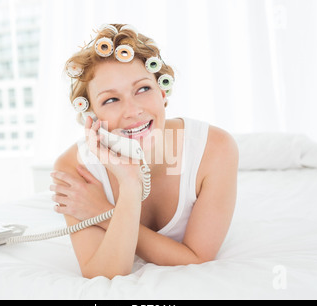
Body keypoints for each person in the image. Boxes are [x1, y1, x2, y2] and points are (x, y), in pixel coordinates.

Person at [50, 24, 239, 279]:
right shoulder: (74, 168)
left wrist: (101, 213)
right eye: (111, 100)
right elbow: (104, 275)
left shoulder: (215, 149)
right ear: (92, 115)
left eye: (142, 89)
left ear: (162, 92)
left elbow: (197, 258)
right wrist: (129, 184)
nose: (133, 111)